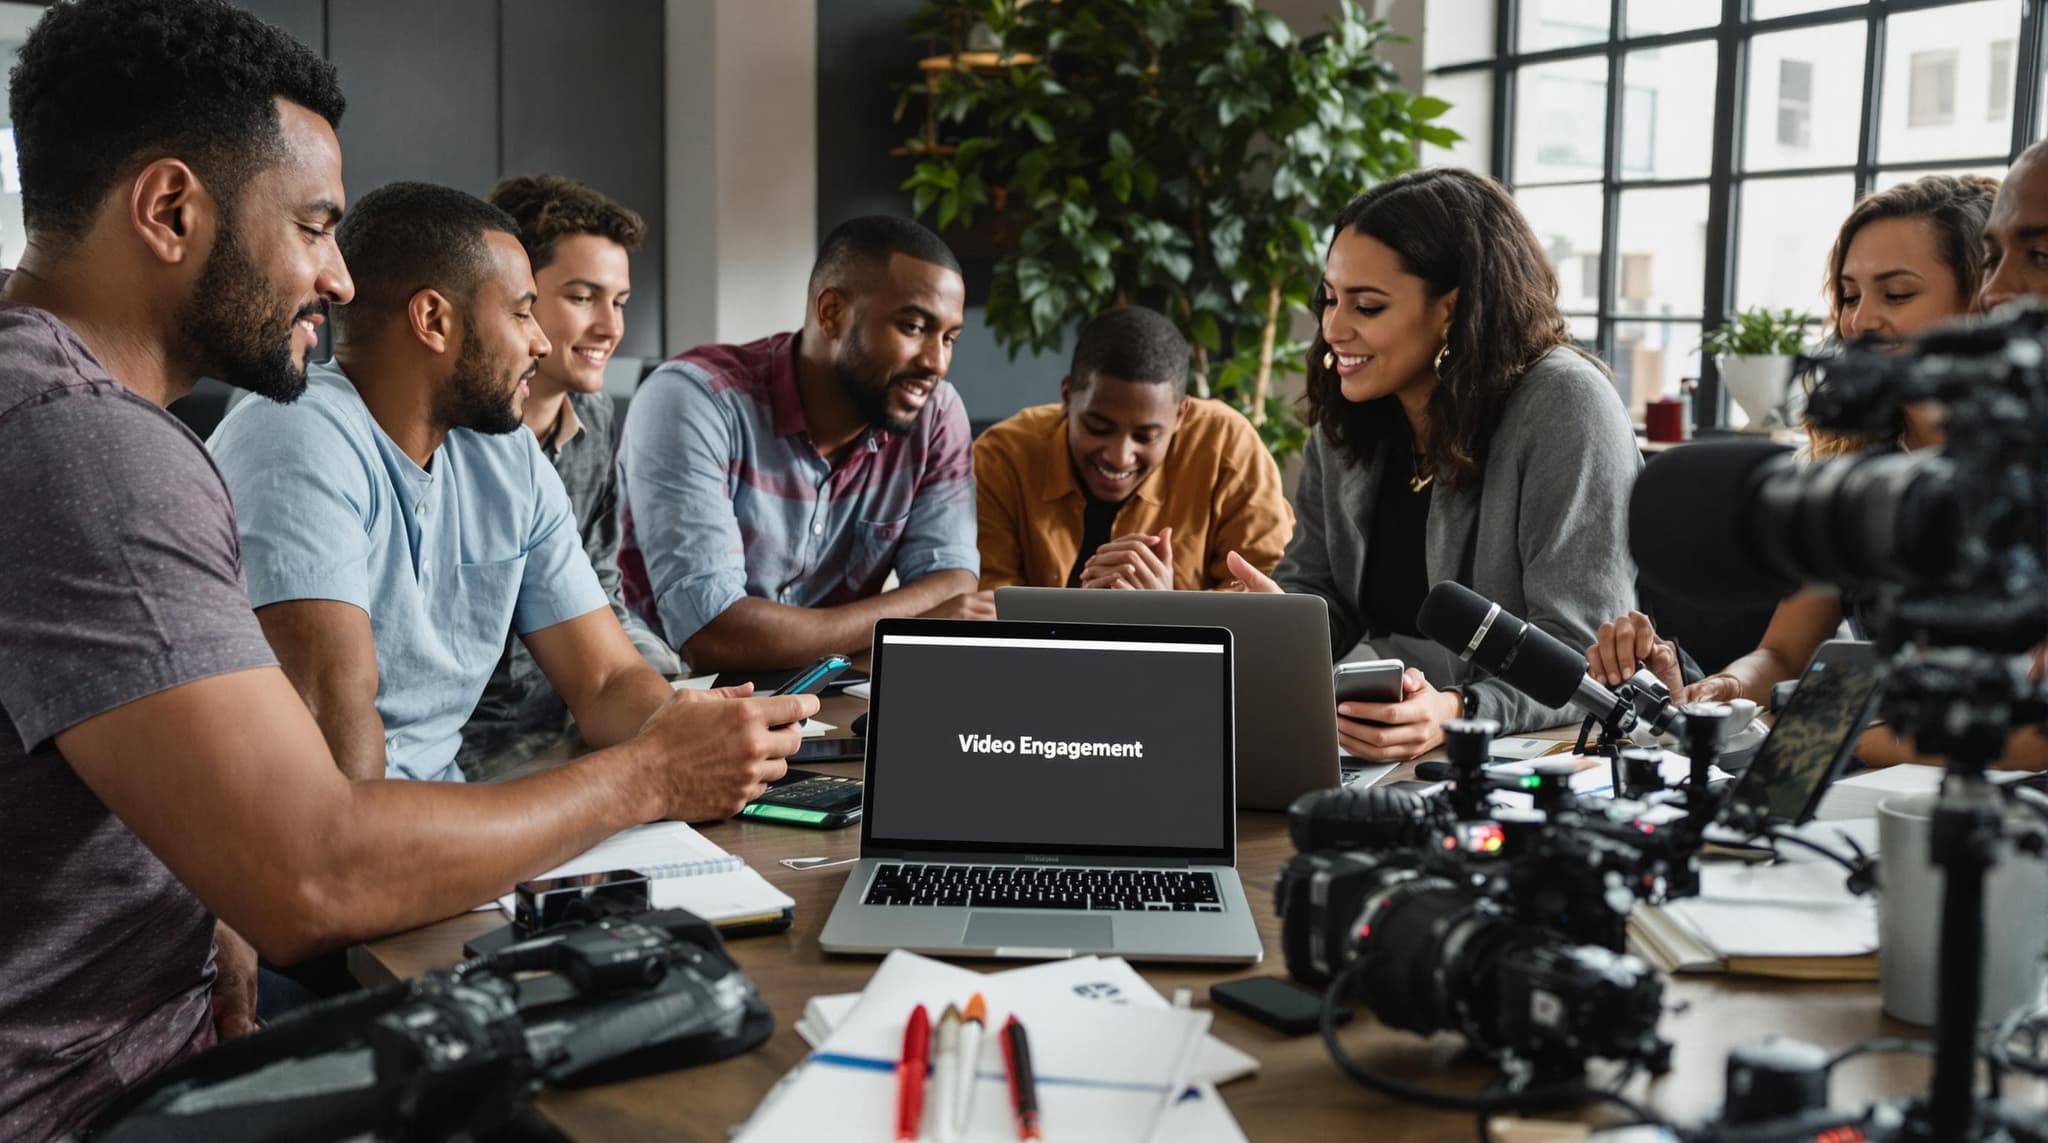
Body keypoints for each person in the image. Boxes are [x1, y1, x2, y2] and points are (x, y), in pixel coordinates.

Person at [0, 5, 810, 1137]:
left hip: (158, 1044)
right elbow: (315, 876)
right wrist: (647, 779)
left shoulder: (67, 417)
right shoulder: (88, 446)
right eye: (316, 227)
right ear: (171, 209)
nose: (338, 278)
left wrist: (211, 930)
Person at [208, 182, 690, 785]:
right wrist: (636, 783)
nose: (538, 341)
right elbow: (348, 787)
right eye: (519, 313)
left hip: (451, 824)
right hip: (366, 847)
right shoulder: (292, 438)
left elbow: (607, 682)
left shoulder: (505, 452)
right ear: (434, 319)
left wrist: (690, 735)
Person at [1227, 167, 1640, 760]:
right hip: (1389, 745)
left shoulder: (1566, 405)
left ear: (1451, 310)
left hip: (1527, 754)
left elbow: (1582, 658)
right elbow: (1322, 590)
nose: (1333, 328)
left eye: (1366, 306)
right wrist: (1282, 626)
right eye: (1330, 298)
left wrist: (1456, 711)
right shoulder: (1352, 414)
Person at [1586, 175, 1997, 700]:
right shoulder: (1850, 469)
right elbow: (1782, 653)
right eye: (1849, 297)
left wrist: (1801, 732)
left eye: (1897, 294)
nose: (1861, 320)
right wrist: (1723, 689)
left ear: (1986, 300)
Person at [617, 215, 988, 673]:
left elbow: (954, 585)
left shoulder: (935, 414)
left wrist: (829, 642)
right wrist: (900, 623)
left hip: (834, 696)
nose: (936, 362)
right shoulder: (697, 400)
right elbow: (714, 637)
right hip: (673, 695)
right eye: (912, 327)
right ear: (831, 313)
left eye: (949, 338)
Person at [453, 175, 681, 777]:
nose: (611, 327)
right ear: (516, 294)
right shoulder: (447, 433)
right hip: (466, 757)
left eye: (620, 302)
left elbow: (604, 592)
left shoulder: (599, 418)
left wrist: (674, 686)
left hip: (575, 731)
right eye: (583, 297)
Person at [972, 305, 1292, 591]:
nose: (1118, 455)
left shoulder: (1226, 445)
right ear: (1067, 398)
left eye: (1146, 436)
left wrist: (1170, 617)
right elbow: (987, 598)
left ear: (1180, 415)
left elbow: (1268, 589)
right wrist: (1073, 623)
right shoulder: (1002, 458)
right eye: (1098, 428)